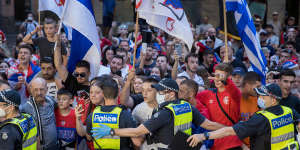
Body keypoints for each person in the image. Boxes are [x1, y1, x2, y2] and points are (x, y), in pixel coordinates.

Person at [91, 78, 225, 150]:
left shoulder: (165, 113)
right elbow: (209, 124)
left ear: (171, 94)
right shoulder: (187, 106)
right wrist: (230, 128)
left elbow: (137, 131)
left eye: (161, 91)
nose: (157, 93)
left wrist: (112, 131)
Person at [188, 83, 300, 150]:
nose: (259, 98)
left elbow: (229, 131)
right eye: (259, 95)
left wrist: (203, 136)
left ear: (274, 100)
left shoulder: (262, 118)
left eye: (263, 96)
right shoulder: (289, 111)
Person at [196, 63, 243, 150]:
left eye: (220, 76)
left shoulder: (235, 94)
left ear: (228, 78)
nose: (217, 79)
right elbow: (192, 99)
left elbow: (233, 89)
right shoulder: (208, 94)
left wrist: (225, 80)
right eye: (215, 75)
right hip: (214, 144)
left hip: (232, 144)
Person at [86, 77, 141, 149]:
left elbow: (89, 137)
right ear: (118, 93)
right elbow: (137, 142)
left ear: (103, 94)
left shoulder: (92, 115)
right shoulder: (124, 114)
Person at [20, 77, 58, 149]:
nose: (39, 93)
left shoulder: (51, 100)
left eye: (41, 89)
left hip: (55, 146)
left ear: (46, 89)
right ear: (31, 90)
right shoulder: (26, 107)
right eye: (35, 90)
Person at [132, 76, 159, 150]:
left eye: (149, 90)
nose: (145, 93)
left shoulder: (167, 106)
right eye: (143, 90)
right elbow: (134, 136)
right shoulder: (138, 109)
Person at [239, 71, 261, 148]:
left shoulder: (259, 99)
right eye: (257, 87)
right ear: (248, 85)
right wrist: (243, 146)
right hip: (240, 146)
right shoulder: (236, 99)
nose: (259, 90)